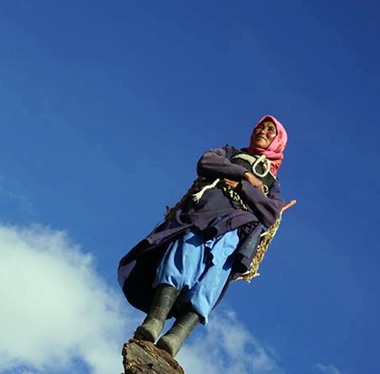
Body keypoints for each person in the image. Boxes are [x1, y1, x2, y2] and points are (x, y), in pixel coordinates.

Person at [117, 115, 288, 357]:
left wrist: (242, 187)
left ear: (278, 141)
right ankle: (154, 321)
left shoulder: (272, 183)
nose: (263, 130)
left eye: (271, 130)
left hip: (236, 232)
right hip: (203, 215)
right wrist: (245, 173)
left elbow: (271, 213)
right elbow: (207, 161)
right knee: (182, 258)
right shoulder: (231, 152)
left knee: (210, 281)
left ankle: (175, 338)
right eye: (261, 126)